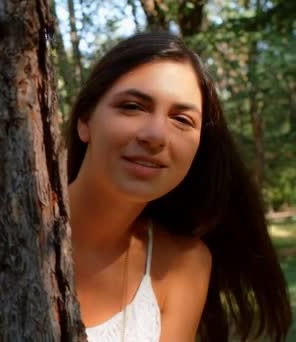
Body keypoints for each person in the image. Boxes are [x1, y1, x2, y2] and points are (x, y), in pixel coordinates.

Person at [66, 32, 291, 342]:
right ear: (85, 121)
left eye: (182, 119)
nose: (155, 135)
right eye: (133, 106)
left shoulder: (184, 265)